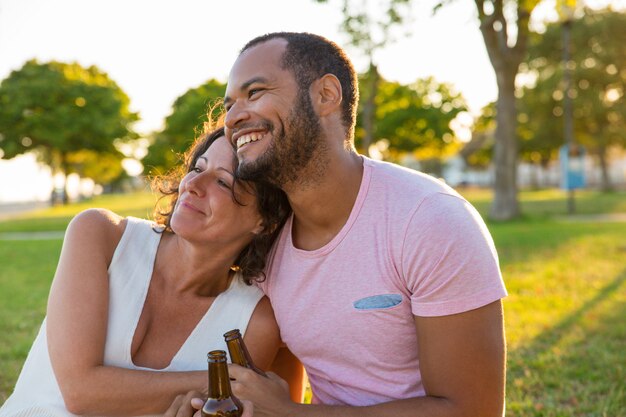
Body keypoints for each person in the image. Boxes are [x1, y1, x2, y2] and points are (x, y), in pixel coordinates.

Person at [188, 31, 508, 417]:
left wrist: (292, 414)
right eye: (229, 105)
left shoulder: (428, 220)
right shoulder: (266, 243)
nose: (233, 117)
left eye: (254, 92)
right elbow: (277, 385)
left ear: (325, 95)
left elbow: (473, 410)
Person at [0, 125, 300, 417]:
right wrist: (229, 380)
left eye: (223, 182)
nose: (192, 185)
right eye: (197, 168)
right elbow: (80, 392)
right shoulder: (102, 234)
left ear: (265, 220)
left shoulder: (253, 320)